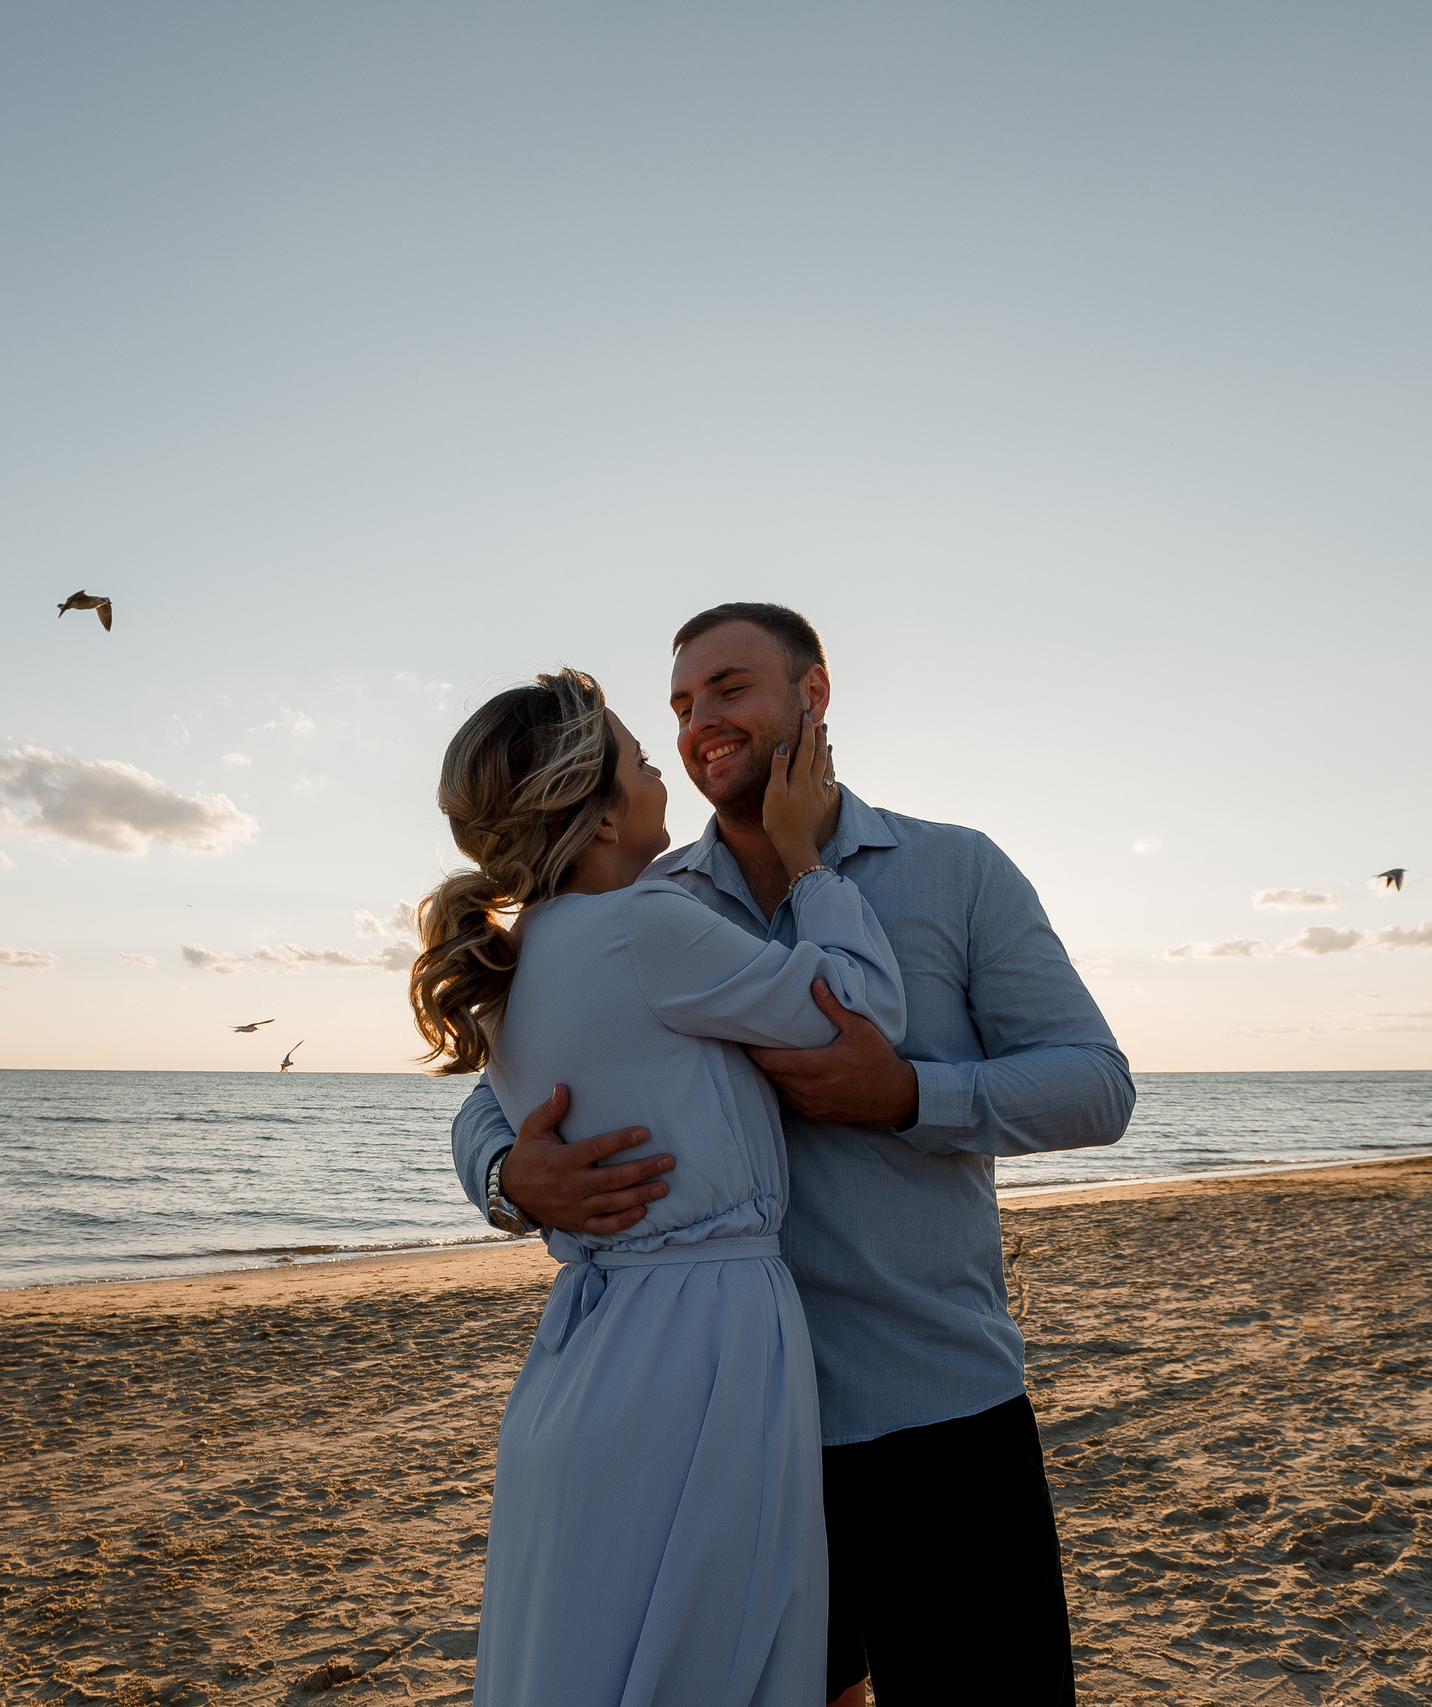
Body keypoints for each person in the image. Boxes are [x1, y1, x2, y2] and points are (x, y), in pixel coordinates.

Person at [453, 604, 1134, 1707]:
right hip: (725, 1428)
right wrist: (504, 1179)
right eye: (677, 707)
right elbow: (500, 1083)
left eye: (729, 689)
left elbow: (1096, 1084)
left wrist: (911, 1093)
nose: (698, 724)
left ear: (811, 697)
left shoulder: (954, 871)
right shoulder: (642, 899)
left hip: (932, 1406)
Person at [410, 667, 905, 1707]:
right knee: (717, 1651)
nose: (657, 771)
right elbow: (858, 1015)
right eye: (638, 760)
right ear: (595, 817)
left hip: (592, 1352)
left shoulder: (520, 956)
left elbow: (499, 1112)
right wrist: (811, 858)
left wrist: (504, 1176)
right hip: (701, 1345)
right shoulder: (643, 928)